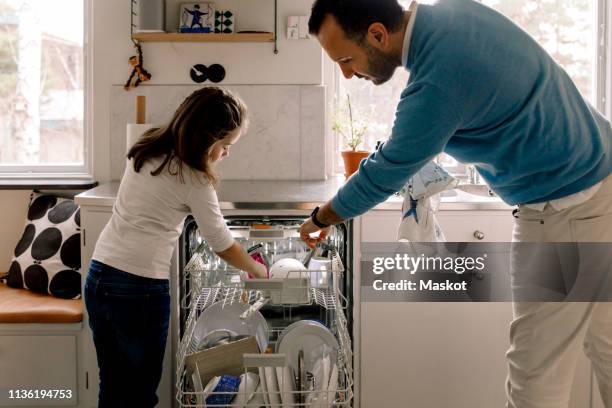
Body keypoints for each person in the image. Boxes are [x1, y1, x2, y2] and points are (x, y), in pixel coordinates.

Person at [300, 0, 612, 407]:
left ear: (377, 34)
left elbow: (387, 169)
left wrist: (321, 217)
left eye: (346, 59)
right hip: (601, 180)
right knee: (607, 346)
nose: (346, 73)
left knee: (537, 373)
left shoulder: (438, 82)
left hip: (567, 207)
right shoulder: (456, 13)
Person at [84, 87, 267, 408]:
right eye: (225, 145)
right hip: (139, 289)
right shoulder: (194, 180)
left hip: (100, 275)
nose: (226, 153)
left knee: (113, 386)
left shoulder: (146, 146)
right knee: (140, 393)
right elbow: (221, 243)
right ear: (206, 138)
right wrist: (255, 268)